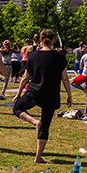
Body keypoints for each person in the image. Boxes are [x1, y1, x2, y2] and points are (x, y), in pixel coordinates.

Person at [12, 29, 72, 164]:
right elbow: (65, 78)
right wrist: (69, 95)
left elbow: (25, 77)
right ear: (53, 40)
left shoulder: (33, 56)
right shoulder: (59, 57)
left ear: (40, 40)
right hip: (51, 94)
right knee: (45, 125)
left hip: (34, 92)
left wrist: (18, 93)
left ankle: (34, 122)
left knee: (16, 109)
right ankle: (38, 157)